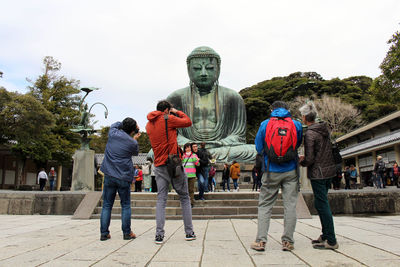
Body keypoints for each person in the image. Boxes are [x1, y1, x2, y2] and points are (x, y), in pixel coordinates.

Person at [166, 46, 256, 162]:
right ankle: (200, 155)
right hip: (188, 147)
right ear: (189, 70)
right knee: (156, 152)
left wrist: (220, 142)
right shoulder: (176, 98)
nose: (203, 73)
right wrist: (189, 144)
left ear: (218, 69)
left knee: (252, 151)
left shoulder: (233, 97)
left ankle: (199, 156)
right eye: (197, 68)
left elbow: (238, 136)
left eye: (209, 68)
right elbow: (171, 134)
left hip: (222, 147)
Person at [251, 101, 303, 252]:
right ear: (288, 109)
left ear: (271, 109)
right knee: (290, 206)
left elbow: (259, 147)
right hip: (290, 170)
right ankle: (288, 241)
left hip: (270, 170)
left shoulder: (265, 124)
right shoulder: (296, 124)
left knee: (265, 205)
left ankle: (261, 241)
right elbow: (297, 144)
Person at [146, 100, 196, 244]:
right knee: (185, 197)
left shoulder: (149, 125)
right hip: (174, 164)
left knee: (161, 199)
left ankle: (159, 234)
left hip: (159, 165)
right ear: (167, 110)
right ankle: (189, 232)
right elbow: (188, 122)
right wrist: (176, 112)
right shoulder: (168, 118)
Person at [298, 103, 339, 250]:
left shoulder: (309, 133)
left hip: (318, 173)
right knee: (322, 204)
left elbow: (310, 159)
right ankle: (326, 234)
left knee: (322, 205)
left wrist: (301, 161)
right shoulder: (324, 129)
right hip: (329, 171)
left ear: (304, 117)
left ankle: (332, 240)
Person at [99, 117, 140, 241]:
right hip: (123, 175)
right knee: (126, 205)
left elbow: (115, 124)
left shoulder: (113, 133)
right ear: (133, 130)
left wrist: (125, 124)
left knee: (106, 205)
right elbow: (135, 153)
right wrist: (134, 137)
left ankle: (104, 233)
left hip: (109, 174)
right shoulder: (133, 143)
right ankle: (127, 233)